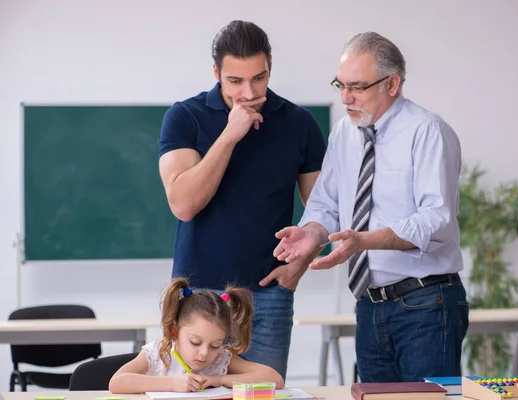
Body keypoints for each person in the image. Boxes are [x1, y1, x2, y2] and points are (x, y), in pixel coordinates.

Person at [273, 32, 469, 383]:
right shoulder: (343, 133)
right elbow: (327, 203)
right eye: (340, 85)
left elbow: (435, 220)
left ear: (391, 84)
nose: (346, 97)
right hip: (369, 304)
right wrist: (310, 232)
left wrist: (366, 240)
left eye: (358, 87)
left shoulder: (427, 132)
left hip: (426, 302)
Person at [156, 20, 326, 380]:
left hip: (268, 297)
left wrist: (299, 266)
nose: (248, 91)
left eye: (258, 78)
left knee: (263, 393)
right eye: (235, 81)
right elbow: (184, 205)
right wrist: (230, 135)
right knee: (194, 392)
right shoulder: (185, 117)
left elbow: (324, 210)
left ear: (270, 67)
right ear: (216, 72)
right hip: (198, 298)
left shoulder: (300, 123)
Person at [109, 277, 284, 393]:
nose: (204, 353)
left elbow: (275, 379)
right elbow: (116, 382)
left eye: (215, 345)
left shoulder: (221, 359)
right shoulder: (159, 352)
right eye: (195, 342)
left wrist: (220, 379)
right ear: (175, 332)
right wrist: (171, 384)